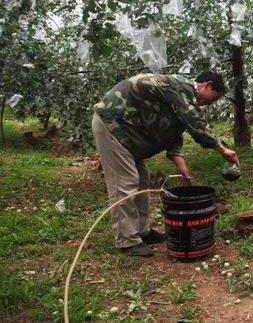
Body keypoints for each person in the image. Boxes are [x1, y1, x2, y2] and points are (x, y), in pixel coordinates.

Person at [92, 71, 239, 256]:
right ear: (207, 85)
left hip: (128, 135)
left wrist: (181, 166)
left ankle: (142, 231)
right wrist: (222, 149)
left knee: (141, 180)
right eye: (213, 98)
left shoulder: (181, 99)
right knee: (125, 182)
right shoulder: (178, 87)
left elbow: (174, 132)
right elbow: (194, 122)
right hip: (112, 126)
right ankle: (127, 240)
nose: (210, 104)